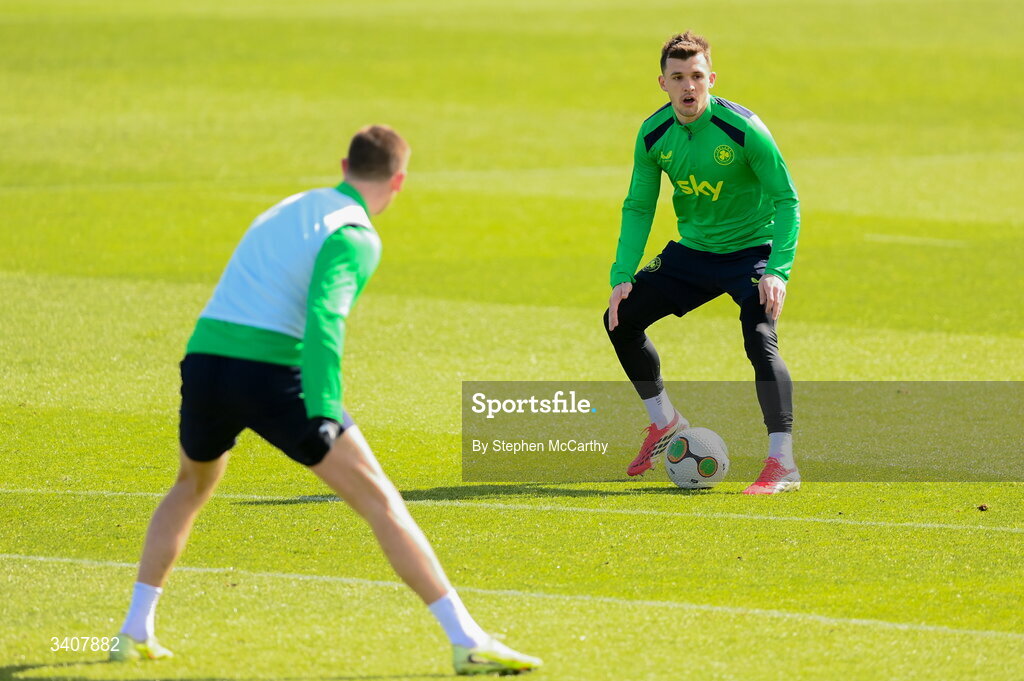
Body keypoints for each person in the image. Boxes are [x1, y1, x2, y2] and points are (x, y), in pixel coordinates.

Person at [110, 125, 542, 675]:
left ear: (344, 165)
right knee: (382, 502)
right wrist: (321, 407)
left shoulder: (290, 206)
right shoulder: (355, 234)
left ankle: (133, 630)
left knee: (190, 485)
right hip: (272, 375)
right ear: (399, 181)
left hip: (205, 362)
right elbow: (324, 319)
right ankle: (467, 639)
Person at [604, 32, 801, 495]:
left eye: (696, 76)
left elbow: (787, 200)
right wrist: (622, 276)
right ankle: (665, 422)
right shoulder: (653, 134)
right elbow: (638, 206)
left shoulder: (744, 129)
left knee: (759, 337)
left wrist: (778, 270)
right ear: (663, 83)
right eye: (678, 78)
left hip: (751, 252)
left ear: (711, 79)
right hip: (693, 253)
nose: (688, 87)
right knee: (619, 320)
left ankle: (782, 463)